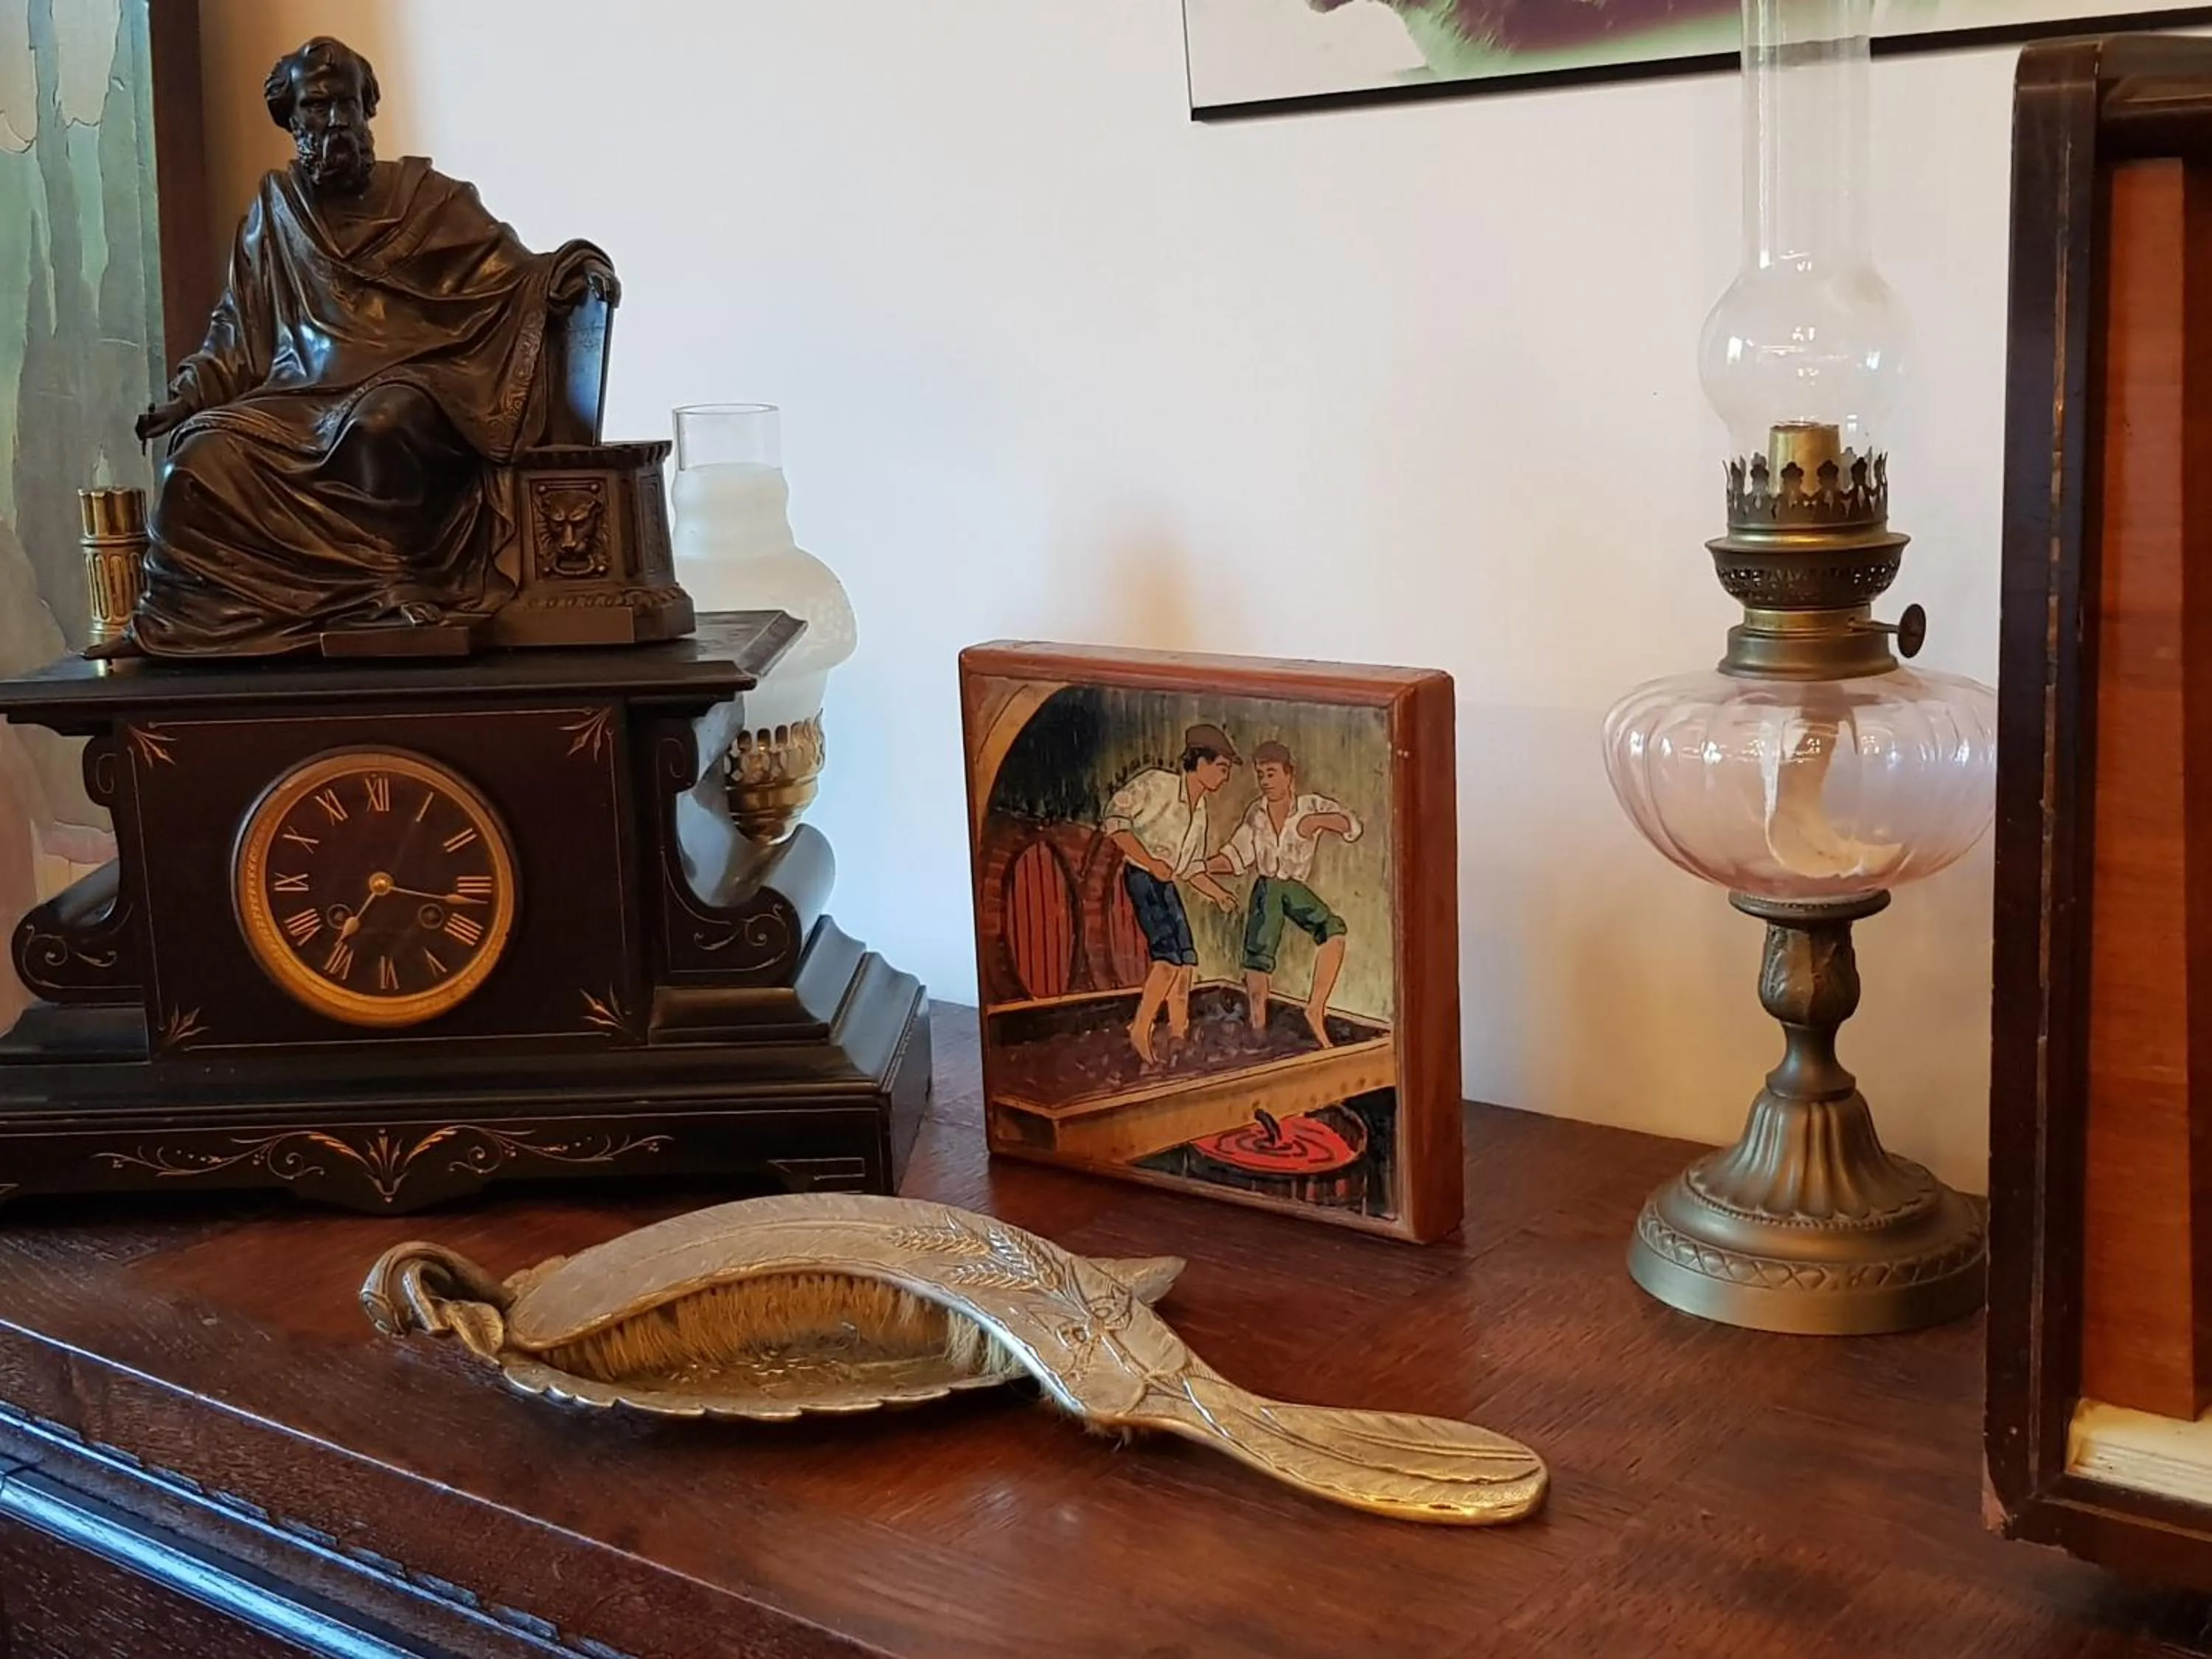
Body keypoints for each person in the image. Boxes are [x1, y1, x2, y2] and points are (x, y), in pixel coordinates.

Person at [108, 36, 618, 658]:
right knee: (196, 461)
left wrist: (567, 271)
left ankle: (394, 582)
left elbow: (512, 275)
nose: (336, 123)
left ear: (369, 108)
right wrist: (187, 396)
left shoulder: (431, 201)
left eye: (348, 104)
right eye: (318, 108)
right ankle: (226, 618)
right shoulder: (275, 214)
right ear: (292, 118)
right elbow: (236, 335)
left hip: (419, 378)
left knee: (380, 423)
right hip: (299, 395)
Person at [1204, 740, 1361, 1048]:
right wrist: (1200, 866)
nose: (1265, 781)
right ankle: (1258, 1028)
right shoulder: (1256, 814)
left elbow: (1351, 826)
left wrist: (1314, 822)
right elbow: (1236, 856)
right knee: (1258, 955)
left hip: (1293, 887)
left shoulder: (1309, 805)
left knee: (1334, 930)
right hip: (1267, 888)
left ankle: (1315, 1008)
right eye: (1261, 775)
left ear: (1290, 775)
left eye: (1272, 774)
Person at [1101, 725, 1241, 1063]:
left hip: (1166, 883)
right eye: (1221, 768)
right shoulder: (1157, 784)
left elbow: (1191, 868)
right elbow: (1113, 820)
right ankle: (1140, 1029)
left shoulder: (1201, 812)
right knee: (1166, 959)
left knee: (1187, 960)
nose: (1224, 778)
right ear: (1201, 762)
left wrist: (1219, 894)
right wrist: (1150, 860)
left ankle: (1179, 1036)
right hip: (1141, 876)